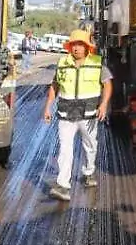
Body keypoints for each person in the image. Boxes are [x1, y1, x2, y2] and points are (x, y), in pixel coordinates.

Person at [42, 29, 111, 202]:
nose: (76, 48)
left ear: (87, 47)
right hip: (66, 114)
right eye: (74, 45)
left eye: (80, 45)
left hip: (88, 115)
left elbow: (108, 85)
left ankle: (89, 172)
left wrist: (103, 104)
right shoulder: (62, 63)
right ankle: (63, 186)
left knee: (90, 146)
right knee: (65, 150)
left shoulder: (98, 63)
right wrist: (47, 107)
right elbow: (55, 86)